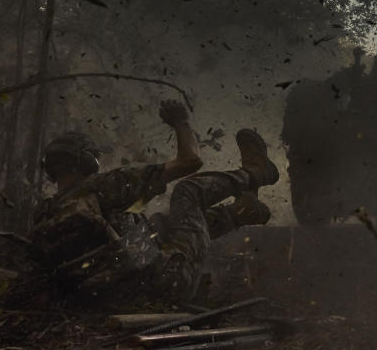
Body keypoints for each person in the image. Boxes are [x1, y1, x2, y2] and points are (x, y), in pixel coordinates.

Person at [30, 99, 279, 305]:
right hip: (169, 284)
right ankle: (257, 171)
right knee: (187, 191)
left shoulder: (45, 213)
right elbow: (190, 161)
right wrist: (179, 121)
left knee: (158, 223)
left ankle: (243, 212)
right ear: (85, 160)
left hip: (123, 301)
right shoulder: (101, 188)